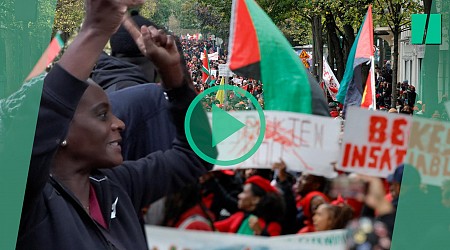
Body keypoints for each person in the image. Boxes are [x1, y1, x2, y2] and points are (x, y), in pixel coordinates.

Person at [16, 0, 215, 249]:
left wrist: (173, 74)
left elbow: (197, 154)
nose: (119, 123)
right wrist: (95, 30)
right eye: (102, 115)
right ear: (59, 130)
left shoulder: (119, 184)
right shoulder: (25, 203)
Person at [214, 175, 285, 236]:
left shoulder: (272, 227)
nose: (239, 196)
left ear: (255, 199)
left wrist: (261, 233)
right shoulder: (239, 217)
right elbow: (210, 228)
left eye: (244, 192)